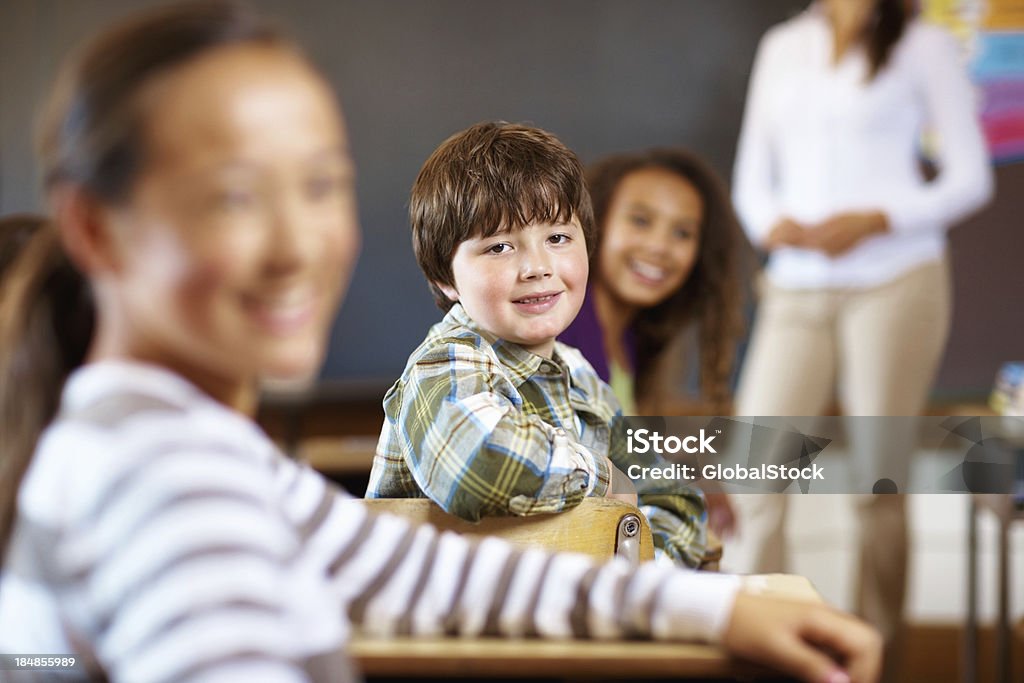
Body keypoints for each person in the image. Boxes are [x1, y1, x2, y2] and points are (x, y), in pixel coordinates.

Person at [0, 3, 882, 682]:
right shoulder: (160, 484)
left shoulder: (190, 447)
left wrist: (712, 611)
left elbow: (422, 573)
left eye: (320, 186)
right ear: (96, 231)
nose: (297, 245)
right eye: (234, 195)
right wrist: (623, 481)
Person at [728, 0, 993, 678]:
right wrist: (773, 226)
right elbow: (752, 181)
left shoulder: (925, 45)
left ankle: (877, 657)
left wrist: (879, 217)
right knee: (755, 475)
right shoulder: (783, 44)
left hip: (896, 280)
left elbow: (971, 178)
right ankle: (765, 648)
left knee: (879, 482)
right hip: (795, 283)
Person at [367, 124, 714, 567]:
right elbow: (481, 464)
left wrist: (641, 574)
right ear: (444, 278)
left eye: (557, 238)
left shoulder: (583, 378)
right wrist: (602, 474)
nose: (536, 267)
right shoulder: (446, 365)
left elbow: (675, 499)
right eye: (499, 247)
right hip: (446, 630)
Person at [558, 149, 746, 537]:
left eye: (682, 232)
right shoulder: (563, 324)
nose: (660, 246)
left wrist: (694, 469)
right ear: (596, 222)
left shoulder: (632, 341)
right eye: (641, 221)